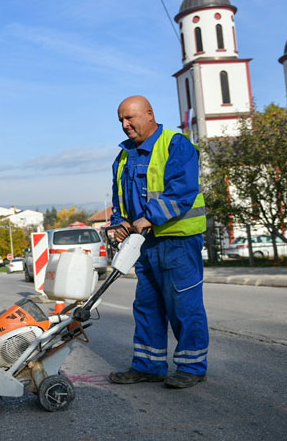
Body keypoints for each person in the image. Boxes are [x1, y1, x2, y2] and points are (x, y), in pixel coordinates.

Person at [108, 95, 208, 389]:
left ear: (149, 114)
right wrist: (120, 223)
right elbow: (119, 201)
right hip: (145, 244)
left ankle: (192, 367)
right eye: (121, 120)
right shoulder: (124, 156)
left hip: (178, 241)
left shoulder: (176, 144)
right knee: (147, 306)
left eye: (130, 118)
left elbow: (182, 190)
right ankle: (149, 366)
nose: (125, 125)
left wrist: (149, 217)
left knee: (184, 306)